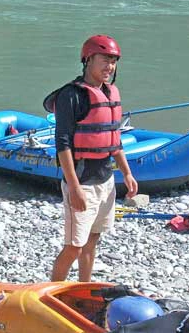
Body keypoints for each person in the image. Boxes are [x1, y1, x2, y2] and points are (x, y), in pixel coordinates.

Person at [43, 35, 138, 282]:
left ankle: (83, 288)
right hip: (82, 182)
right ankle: (53, 293)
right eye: (104, 60)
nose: (109, 67)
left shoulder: (109, 92)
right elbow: (62, 143)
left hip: (105, 180)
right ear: (87, 60)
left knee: (93, 239)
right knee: (74, 245)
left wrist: (127, 173)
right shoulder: (72, 96)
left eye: (113, 61)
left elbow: (113, 139)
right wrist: (74, 187)